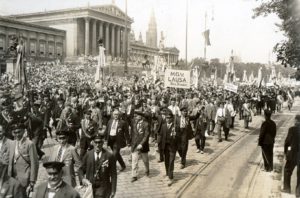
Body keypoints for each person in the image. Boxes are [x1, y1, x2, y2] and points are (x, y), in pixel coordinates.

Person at [79, 134, 117, 198]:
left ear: (102, 143)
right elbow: (81, 169)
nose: (97, 145)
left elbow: (113, 174)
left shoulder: (109, 156)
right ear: (92, 143)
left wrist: (113, 190)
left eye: (99, 142)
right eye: (96, 142)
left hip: (103, 187)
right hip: (90, 186)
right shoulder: (88, 155)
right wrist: (82, 179)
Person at [8, 122, 39, 195]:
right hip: (13, 177)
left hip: (25, 178)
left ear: (23, 131)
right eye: (15, 132)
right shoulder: (12, 143)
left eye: (19, 132)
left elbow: (34, 163)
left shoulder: (29, 144)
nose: (17, 134)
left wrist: (32, 181)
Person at [158, 109, 179, 186]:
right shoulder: (163, 126)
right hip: (165, 147)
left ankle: (170, 177)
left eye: (169, 118)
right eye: (167, 118)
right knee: (166, 161)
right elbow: (160, 136)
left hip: (172, 147)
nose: (168, 119)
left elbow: (178, 138)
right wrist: (159, 146)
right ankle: (168, 174)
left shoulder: (175, 127)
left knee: (171, 162)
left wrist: (175, 135)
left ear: (172, 118)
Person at [282, 115, 300, 196]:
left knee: (287, 170)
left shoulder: (292, 129)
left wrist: (286, 152)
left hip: (292, 154)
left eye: (294, 120)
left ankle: (287, 188)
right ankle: (298, 192)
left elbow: (287, 142)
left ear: (296, 121)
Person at [130, 110, 150, 182]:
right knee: (134, 160)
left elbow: (146, 135)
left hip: (143, 146)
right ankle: (134, 175)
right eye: (135, 115)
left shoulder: (146, 124)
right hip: (135, 145)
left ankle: (147, 170)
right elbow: (132, 133)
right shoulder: (134, 122)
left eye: (137, 115)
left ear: (141, 117)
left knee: (145, 160)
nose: (135, 117)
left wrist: (141, 144)